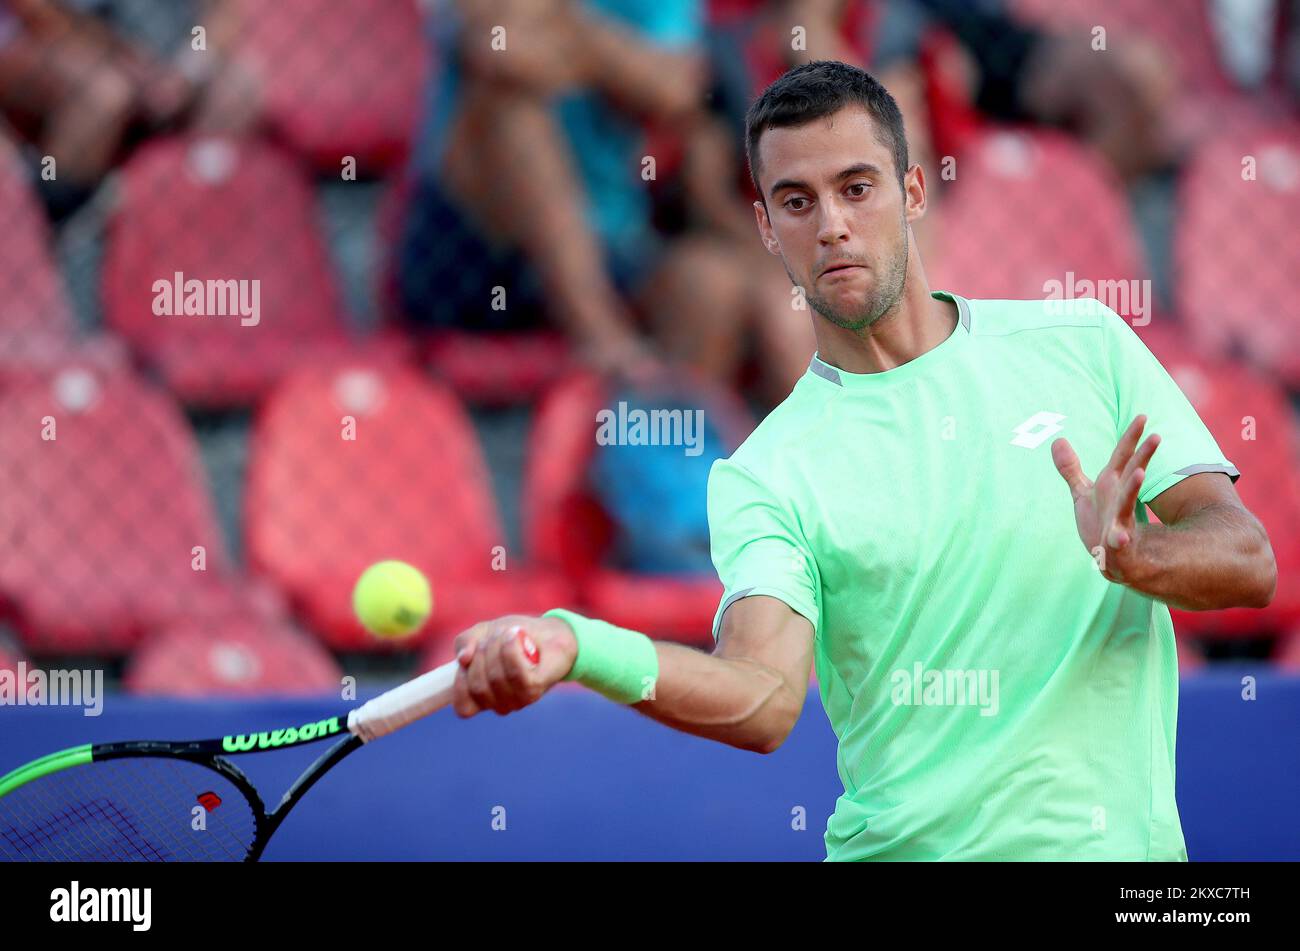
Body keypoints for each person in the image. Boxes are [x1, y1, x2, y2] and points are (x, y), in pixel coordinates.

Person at [446, 61, 1277, 861]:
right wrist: (578, 643)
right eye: (796, 202)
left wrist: (1140, 555)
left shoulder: (1086, 344)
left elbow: (1248, 560)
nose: (832, 225)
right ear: (766, 228)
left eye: (856, 187)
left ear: (912, 191)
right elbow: (764, 699)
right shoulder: (767, 473)